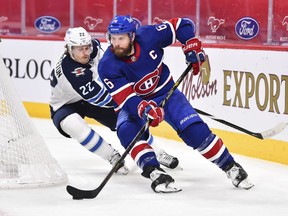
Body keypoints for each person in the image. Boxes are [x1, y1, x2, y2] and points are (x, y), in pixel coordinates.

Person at [98, 15, 254, 193]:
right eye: (113, 38)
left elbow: (181, 24)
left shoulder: (149, 36)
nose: (116, 43)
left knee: (196, 132)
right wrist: (145, 109)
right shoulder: (107, 65)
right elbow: (126, 99)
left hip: (167, 93)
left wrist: (191, 44)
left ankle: (232, 167)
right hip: (137, 102)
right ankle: (154, 172)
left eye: (121, 38)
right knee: (126, 131)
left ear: (132, 36)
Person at [49, 27, 179, 176]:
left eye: (87, 47)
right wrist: (131, 100)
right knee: (73, 125)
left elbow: (112, 70)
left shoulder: (95, 48)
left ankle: (158, 152)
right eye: (80, 49)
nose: (85, 52)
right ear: (69, 49)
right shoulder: (71, 71)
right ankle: (112, 157)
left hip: (92, 97)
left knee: (126, 122)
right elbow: (100, 98)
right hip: (65, 105)